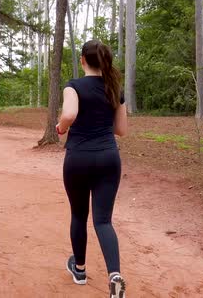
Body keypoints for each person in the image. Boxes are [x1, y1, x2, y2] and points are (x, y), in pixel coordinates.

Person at [56, 40, 128, 298]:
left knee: (79, 216)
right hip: (109, 158)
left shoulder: (73, 86)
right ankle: (115, 276)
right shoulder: (114, 89)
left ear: (82, 60)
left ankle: (80, 270)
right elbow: (121, 130)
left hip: (78, 158)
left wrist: (61, 128)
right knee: (103, 220)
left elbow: (69, 113)